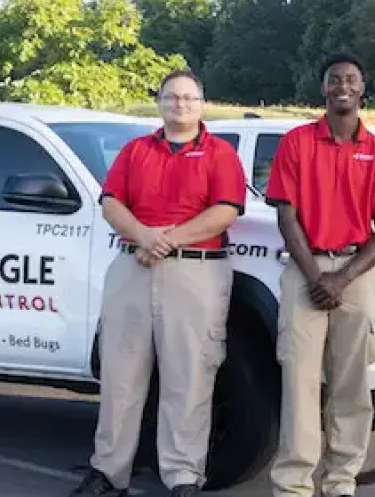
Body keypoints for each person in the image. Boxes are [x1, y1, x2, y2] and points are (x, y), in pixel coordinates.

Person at [73, 70, 248, 497]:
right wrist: (144, 236)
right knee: (120, 375)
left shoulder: (220, 153)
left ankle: (183, 476)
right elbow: (111, 202)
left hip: (195, 271)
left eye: (189, 98)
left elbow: (225, 210)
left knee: (188, 378)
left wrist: (164, 240)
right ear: (159, 101)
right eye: (172, 97)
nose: (181, 105)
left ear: (202, 103)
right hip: (133, 266)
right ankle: (108, 471)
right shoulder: (135, 151)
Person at [264, 53, 375, 497]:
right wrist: (315, 276)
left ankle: (341, 480)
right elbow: (287, 218)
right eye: (334, 79)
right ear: (323, 89)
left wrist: (340, 279)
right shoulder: (296, 143)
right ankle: (293, 484)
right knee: (300, 382)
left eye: (351, 79)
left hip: (355, 272)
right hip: (304, 270)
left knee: (350, 383)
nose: (342, 85)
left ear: (362, 90)